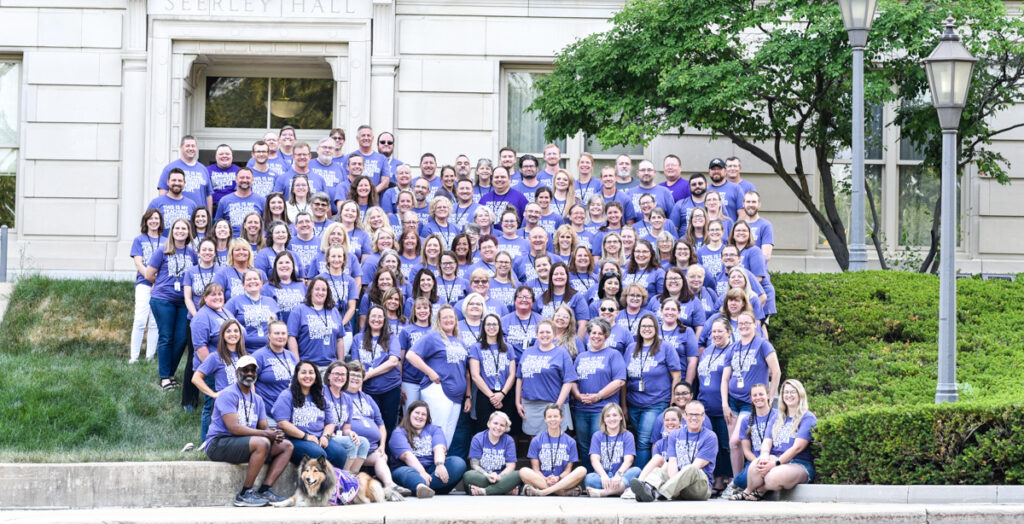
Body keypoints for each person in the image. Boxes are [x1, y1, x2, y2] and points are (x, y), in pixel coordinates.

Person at [203, 355, 292, 507]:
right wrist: (266, 434)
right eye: (245, 370)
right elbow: (234, 428)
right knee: (262, 442)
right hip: (219, 443)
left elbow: (264, 427)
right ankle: (245, 494)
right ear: (237, 373)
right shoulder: (227, 394)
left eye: (253, 371)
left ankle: (265, 490)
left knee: (287, 446)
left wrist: (274, 433)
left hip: (242, 443)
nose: (250, 373)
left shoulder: (257, 399)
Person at [731, 379, 817, 501]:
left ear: (800, 394)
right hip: (775, 459)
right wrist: (765, 456)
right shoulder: (777, 416)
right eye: (785, 392)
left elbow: (798, 447)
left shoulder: (807, 417)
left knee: (772, 477)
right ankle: (748, 491)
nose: (789, 395)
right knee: (756, 465)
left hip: (798, 463)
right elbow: (767, 441)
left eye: (793, 392)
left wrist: (776, 463)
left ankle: (760, 490)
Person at [406, 305, 471, 445]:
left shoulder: (459, 341)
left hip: (457, 395)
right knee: (437, 431)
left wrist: (468, 396)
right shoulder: (433, 336)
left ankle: (441, 463)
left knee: (448, 433)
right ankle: (430, 462)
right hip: (438, 390)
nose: (449, 320)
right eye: (445, 317)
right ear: (438, 320)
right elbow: (410, 355)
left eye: (451, 317)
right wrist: (430, 372)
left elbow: (466, 371)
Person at [623, 314, 682, 468]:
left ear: (656, 329)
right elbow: (624, 379)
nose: (646, 329)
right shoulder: (631, 348)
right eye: (643, 326)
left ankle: (640, 479)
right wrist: (623, 405)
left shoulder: (666, 347)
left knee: (643, 440)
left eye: (650, 326)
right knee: (639, 438)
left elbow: (676, 375)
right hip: (634, 402)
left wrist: (672, 401)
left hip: (656, 402)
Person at [629, 400, 717, 502]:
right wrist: (675, 487)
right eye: (690, 414)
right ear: (685, 416)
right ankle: (648, 487)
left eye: (697, 415)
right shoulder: (675, 435)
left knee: (691, 468)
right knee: (662, 468)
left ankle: (657, 493)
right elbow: (673, 462)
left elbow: (698, 465)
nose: (693, 418)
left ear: (703, 416)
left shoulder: (710, 437)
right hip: (677, 487)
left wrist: (674, 486)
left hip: (698, 487)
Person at [145, 218, 197, 391]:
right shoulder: (162, 251)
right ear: (172, 231)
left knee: (181, 339)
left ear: (188, 232)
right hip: (163, 299)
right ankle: (164, 377)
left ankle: (171, 373)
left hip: (183, 301)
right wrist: (161, 284)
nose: (180, 231)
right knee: (166, 336)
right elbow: (149, 274)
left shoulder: (192, 253)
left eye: (184, 228)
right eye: (177, 228)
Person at [571, 318, 626, 472]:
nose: (596, 336)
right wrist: (577, 395)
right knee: (583, 444)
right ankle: (589, 477)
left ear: (606, 336)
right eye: (593, 333)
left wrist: (598, 396)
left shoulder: (613, 355)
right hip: (581, 408)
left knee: (601, 445)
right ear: (588, 335)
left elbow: (619, 381)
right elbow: (573, 380)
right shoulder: (581, 357)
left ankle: (601, 476)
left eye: (600, 333)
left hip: (603, 410)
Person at [273, 360, 350, 468]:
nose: (307, 376)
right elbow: (282, 423)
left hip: (318, 437)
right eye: (303, 372)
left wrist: (325, 436)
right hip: (295, 439)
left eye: (311, 372)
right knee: (318, 454)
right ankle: (314, 484)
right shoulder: (287, 395)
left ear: (316, 376)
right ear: (297, 375)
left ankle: (333, 484)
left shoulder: (320, 396)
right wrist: (305, 436)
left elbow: (330, 423)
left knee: (339, 453)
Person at [390, 401, 468, 498]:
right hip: (408, 468)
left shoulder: (435, 429)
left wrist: (440, 465)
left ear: (427, 418)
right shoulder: (399, 432)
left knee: (458, 463)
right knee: (406, 473)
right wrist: (421, 472)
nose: (420, 416)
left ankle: (420, 487)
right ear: (409, 414)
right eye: (417, 413)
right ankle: (420, 485)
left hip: (432, 470)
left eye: (423, 414)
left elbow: (439, 448)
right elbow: (407, 456)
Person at [345, 361, 401, 494]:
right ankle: (349, 486)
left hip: (371, 449)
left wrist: (382, 446)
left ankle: (390, 486)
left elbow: (381, 424)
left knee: (380, 457)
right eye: (352, 375)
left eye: (359, 376)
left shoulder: (367, 398)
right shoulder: (341, 396)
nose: (355, 379)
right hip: (353, 447)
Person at [515, 320, 577, 436]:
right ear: (537, 334)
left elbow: (568, 381)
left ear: (554, 334)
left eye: (548, 332)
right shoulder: (527, 352)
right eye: (541, 332)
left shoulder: (562, 353)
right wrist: (517, 402)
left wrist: (557, 406)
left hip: (553, 404)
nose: (544, 335)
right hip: (530, 404)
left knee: (555, 440)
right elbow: (519, 378)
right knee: (533, 441)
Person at [349, 305, 402, 438]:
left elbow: (393, 361)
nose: (376, 319)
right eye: (373, 316)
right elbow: (356, 363)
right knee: (369, 425)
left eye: (380, 316)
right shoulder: (358, 338)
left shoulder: (391, 337)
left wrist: (369, 374)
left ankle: (386, 456)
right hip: (368, 390)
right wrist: (359, 383)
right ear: (368, 319)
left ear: (384, 320)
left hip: (390, 389)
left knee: (389, 426)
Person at [697, 317, 735, 495]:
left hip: (723, 406)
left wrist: (727, 404)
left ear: (729, 332)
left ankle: (724, 479)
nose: (716, 335)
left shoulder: (733, 350)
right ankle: (712, 478)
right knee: (710, 444)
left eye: (720, 331)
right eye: (713, 331)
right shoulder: (707, 351)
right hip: (705, 404)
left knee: (724, 444)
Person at [518, 403, 587, 496]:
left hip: (562, 481)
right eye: (549, 417)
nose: (552, 419)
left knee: (582, 470)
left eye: (555, 416)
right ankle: (563, 493)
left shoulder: (570, 442)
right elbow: (536, 469)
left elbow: (568, 470)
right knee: (523, 471)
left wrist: (558, 478)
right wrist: (546, 479)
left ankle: (543, 492)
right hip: (542, 480)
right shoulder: (536, 440)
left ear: (561, 418)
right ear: (545, 419)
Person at [723, 382, 777, 498]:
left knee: (768, 474)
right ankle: (736, 485)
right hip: (754, 461)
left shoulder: (777, 416)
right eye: (755, 395)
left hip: (773, 458)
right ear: (751, 398)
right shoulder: (746, 420)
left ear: (768, 395)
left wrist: (766, 462)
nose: (758, 398)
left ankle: (749, 489)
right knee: (744, 479)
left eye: (761, 394)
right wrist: (758, 462)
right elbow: (746, 451)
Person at [468, 313, 519, 434]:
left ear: (499, 327)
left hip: (505, 394)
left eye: (494, 324)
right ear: (483, 327)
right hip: (485, 395)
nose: (491, 327)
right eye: (488, 324)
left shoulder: (508, 348)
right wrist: (492, 396)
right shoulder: (476, 347)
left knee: (505, 430)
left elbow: (512, 374)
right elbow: (475, 375)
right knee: (484, 429)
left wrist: (502, 393)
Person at [322, 361, 372, 473]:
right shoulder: (322, 392)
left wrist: (351, 433)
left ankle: (352, 477)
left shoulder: (347, 399)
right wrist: (328, 433)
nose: (340, 377)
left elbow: (346, 428)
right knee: (351, 443)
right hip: (324, 434)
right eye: (336, 374)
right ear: (329, 375)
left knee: (363, 442)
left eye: (343, 375)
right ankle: (343, 477)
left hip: (338, 435)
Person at [585, 403, 641, 497]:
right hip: (603, 478)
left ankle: (604, 492)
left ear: (621, 417)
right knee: (589, 479)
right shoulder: (597, 436)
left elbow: (629, 460)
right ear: (603, 419)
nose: (612, 419)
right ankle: (621, 490)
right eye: (608, 416)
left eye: (615, 415)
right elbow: (594, 460)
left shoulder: (627, 435)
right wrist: (603, 475)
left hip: (621, 476)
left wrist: (618, 475)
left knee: (637, 471)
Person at [130, 209, 164, 363]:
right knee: (140, 320)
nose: (154, 221)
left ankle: (150, 356)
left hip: (160, 285)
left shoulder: (165, 241)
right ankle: (134, 357)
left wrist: (156, 282)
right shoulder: (139, 240)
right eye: (151, 219)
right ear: (146, 221)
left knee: (154, 322)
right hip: (144, 283)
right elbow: (138, 262)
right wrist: (150, 279)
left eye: (156, 218)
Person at [286, 277, 345, 367]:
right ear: (310, 291)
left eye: (324, 290)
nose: (320, 292)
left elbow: (339, 339)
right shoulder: (299, 310)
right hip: (307, 366)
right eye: (317, 289)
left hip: (330, 366)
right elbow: (291, 338)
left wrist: (340, 364)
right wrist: (298, 365)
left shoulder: (334, 311)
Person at [464, 411, 521, 495]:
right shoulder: (478, 438)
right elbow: (474, 464)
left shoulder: (509, 440)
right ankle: (504, 489)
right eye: (495, 423)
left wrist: (499, 477)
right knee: (468, 476)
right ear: (488, 424)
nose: (498, 427)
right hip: (483, 476)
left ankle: (483, 491)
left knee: (519, 474)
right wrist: (487, 475)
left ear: (505, 428)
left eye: (502, 425)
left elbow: (511, 465)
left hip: (502, 477)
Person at [251, 320, 297, 419]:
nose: (280, 336)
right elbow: (250, 383)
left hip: (289, 412)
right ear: (269, 335)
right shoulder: (259, 356)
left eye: (283, 333)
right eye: (276, 333)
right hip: (267, 414)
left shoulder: (291, 356)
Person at [224, 269, 278, 351]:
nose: (252, 281)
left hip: (269, 350)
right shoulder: (234, 302)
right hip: (244, 350)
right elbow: (225, 325)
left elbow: (279, 325)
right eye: (249, 279)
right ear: (243, 284)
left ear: (261, 282)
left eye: (255, 279)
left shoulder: (271, 302)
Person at [158, 136, 211, 211]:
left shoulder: (203, 169)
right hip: (177, 214)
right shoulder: (170, 168)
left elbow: (208, 196)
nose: (191, 148)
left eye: (193, 146)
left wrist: (209, 217)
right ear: (181, 148)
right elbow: (162, 193)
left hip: (198, 218)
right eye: (187, 146)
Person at [260, 251, 306, 325]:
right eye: (280, 263)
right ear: (275, 267)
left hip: (300, 330)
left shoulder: (301, 285)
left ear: (293, 266)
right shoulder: (267, 287)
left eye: (287, 262)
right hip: (278, 332)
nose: (284, 265)